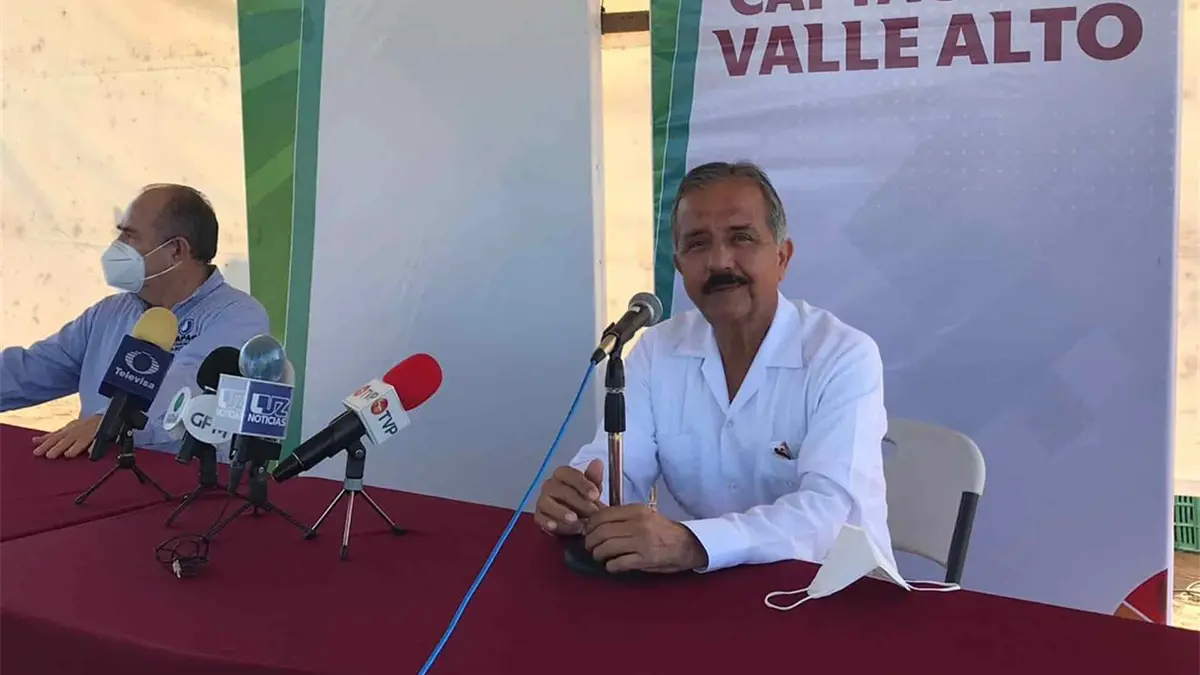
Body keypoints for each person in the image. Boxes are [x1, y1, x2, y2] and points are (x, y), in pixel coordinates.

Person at [535, 161, 894, 574]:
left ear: (782, 257)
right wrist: (581, 498)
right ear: (680, 265)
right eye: (697, 243)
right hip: (708, 587)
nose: (720, 261)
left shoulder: (842, 355)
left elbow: (830, 517)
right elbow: (621, 467)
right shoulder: (657, 350)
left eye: (742, 238)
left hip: (831, 590)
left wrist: (693, 544)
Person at [0, 184, 270, 458]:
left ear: (176, 250)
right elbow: (32, 369)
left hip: (180, 479)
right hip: (92, 474)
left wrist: (111, 421)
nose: (115, 246)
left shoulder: (238, 316)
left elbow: (187, 384)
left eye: (129, 235)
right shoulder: (109, 313)